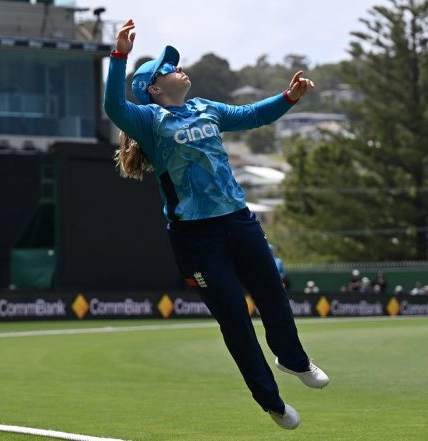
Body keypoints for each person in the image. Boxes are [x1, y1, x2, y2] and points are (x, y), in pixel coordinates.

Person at [103, 19, 328, 430]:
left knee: (271, 294)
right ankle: (272, 403)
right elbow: (114, 108)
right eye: (169, 68)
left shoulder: (206, 107)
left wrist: (288, 98)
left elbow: (250, 114)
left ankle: (292, 359)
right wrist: (119, 55)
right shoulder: (149, 121)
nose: (179, 68)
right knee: (236, 321)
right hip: (196, 237)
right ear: (154, 88)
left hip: (238, 220)